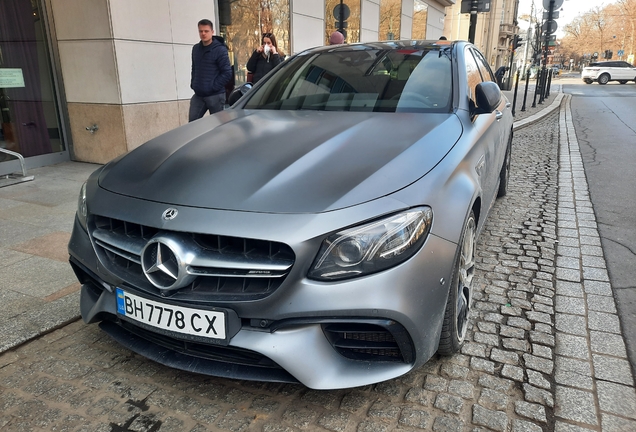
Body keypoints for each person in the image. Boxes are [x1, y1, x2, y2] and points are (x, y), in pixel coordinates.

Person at [189, 19, 233, 122]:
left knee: (218, 126)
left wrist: (212, 86)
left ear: (212, 32)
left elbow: (227, 73)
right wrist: (193, 83)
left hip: (215, 96)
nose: (203, 33)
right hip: (199, 95)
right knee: (191, 126)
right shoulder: (196, 49)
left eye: (206, 31)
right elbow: (194, 68)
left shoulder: (220, 50)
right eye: (201, 31)